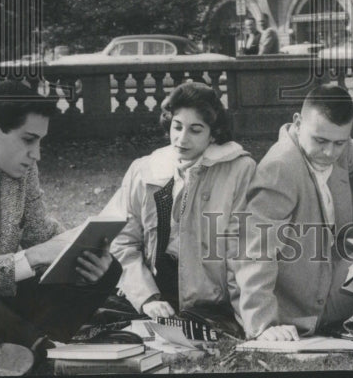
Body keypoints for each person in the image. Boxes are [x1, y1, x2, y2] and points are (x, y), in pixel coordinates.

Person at [0, 80, 120, 364]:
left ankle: (21, 345)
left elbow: (40, 231)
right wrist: (35, 255)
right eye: (29, 139)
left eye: (40, 141)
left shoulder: (23, 168)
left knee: (108, 266)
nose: (37, 153)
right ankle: (35, 346)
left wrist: (84, 249)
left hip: (7, 303)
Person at [246, 84, 353, 340]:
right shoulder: (280, 167)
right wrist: (263, 325)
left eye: (339, 142)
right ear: (297, 122)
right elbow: (255, 249)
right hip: (309, 304)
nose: (330, 152)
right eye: (320, 140)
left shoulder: (343, 151)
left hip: (336, 263)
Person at [106, 81, 264, 338]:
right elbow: (122, 243)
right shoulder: (144, 169)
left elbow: (243, 250)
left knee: (194, 329)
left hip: (209, 298)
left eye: (195, 130)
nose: (182, 138)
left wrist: (250, 318)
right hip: (155, 286)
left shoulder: (240, 169)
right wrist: (147, 297)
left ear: (213, 134)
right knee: (96, 318)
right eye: (177, 127)